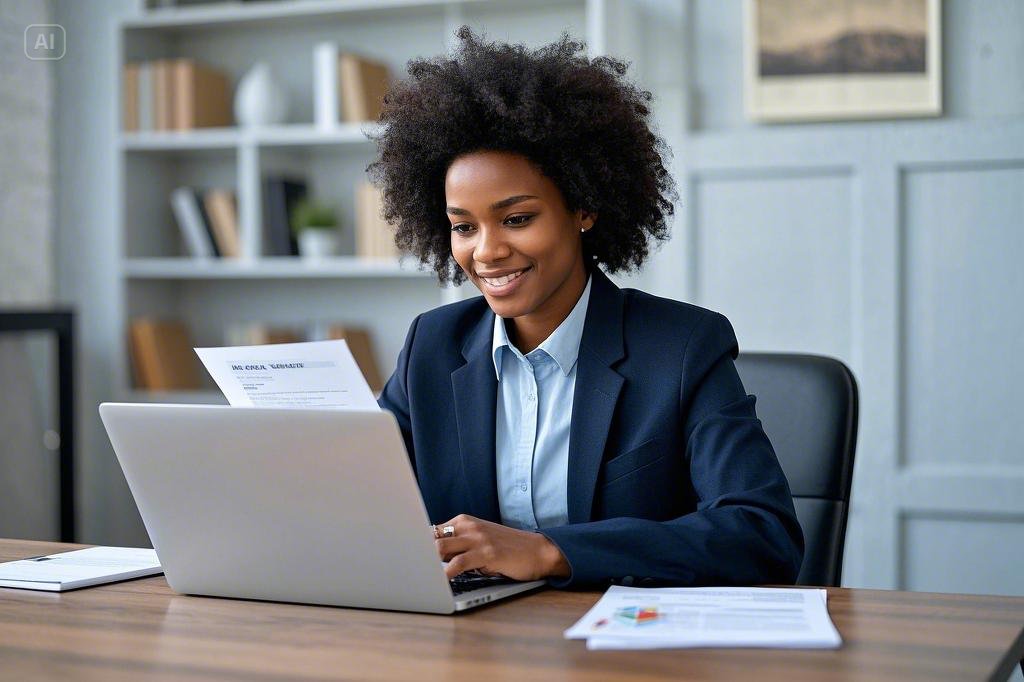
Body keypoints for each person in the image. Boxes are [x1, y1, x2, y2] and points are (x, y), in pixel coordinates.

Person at [370, 27, 803, 588]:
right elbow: (369, 508)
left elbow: (762, 534)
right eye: (463, 227)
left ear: (584, 208)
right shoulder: (430, 346)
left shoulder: (681, 348)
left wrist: (551, 552)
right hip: (470, 648)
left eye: (517, 218)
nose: (488, 250)